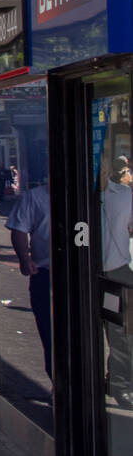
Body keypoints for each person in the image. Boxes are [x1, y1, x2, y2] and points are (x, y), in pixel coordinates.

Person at [7, 175, 51, 379]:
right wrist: (25, 259)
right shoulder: (33, 197)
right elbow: (19, 229)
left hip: (82, 273)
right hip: (46, 273)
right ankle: (57, 380)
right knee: (49, 330)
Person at [101, 156, 133, 405]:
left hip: (116, 270)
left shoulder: (125, 196)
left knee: (120, 332)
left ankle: (119, 382)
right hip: (87, 272)